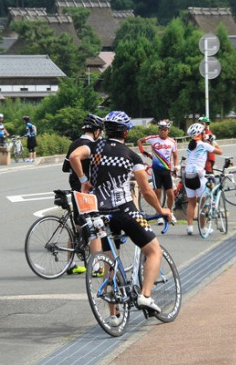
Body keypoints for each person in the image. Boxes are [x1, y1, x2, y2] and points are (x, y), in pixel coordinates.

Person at [69, 111, 173, 321]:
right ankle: (145, 296)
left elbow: (73, 157)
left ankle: (115, 316)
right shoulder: (131, 155)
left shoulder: (94, 147)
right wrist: (161, 210)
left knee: (110, 262)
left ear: (106, 130)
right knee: (154, 251)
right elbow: (146, 191)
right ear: (126, 132)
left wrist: (84, 179)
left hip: (100, 213)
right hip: (125, 211)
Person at [61, 113, 104, 275]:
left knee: (79, 226)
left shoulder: (75, 143)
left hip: (74, 187)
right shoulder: (91, 146)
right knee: (95, 226)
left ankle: (70, 264)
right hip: (86, 189)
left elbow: (65, 168)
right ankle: (96, 267)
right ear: (96, 131)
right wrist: (84, 177)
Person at [183, 122, 223, 236]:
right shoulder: (203, 145)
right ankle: (203, 228)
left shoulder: (189, 146)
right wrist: (213, 141)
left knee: (191, 203)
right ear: (200, 134)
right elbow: (220, 152)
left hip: (187, 175)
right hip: (199, 176)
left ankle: (189, 227)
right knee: (203, 203)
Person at [137, 119, 179, 225]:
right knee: (157, 192)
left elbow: (175, 156)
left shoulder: (172, 142)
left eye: (165, 130)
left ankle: (170, 212)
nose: (162, 132)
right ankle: (159, 213)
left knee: (170, 194)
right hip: (156, 171)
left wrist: (176, 167)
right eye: (160, 129)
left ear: (168, 130)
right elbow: (139, 141)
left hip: (167, 170)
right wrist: (142, 151)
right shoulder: (153, 139)